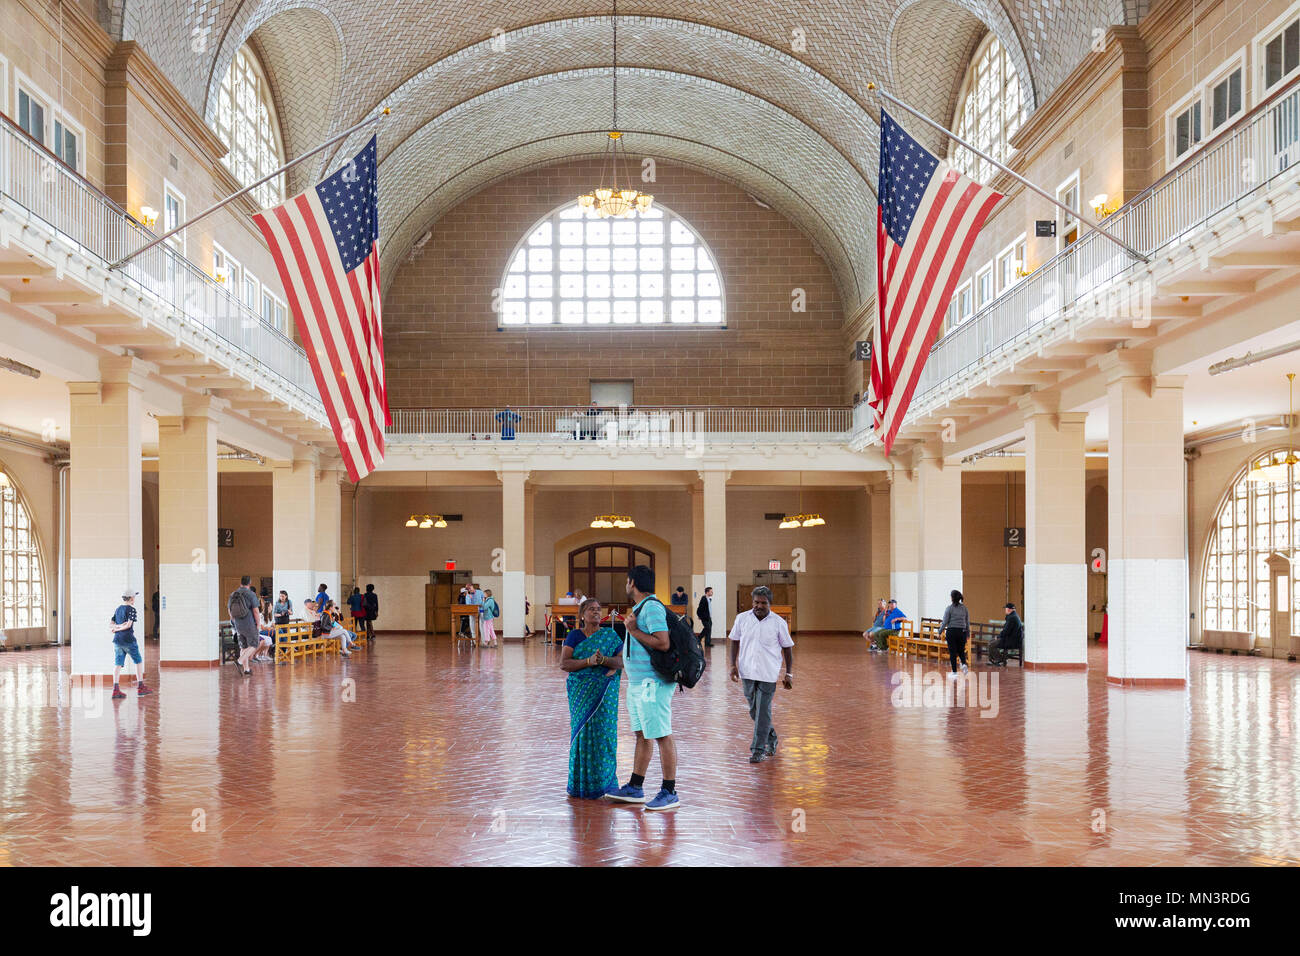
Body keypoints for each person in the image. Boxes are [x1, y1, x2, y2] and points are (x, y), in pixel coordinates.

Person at [605, 565, 679, 811]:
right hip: (638, 683)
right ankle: (636, 786)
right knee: (642, 734)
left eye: (627, 582)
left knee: (660, 734)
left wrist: (633, 630)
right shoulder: (641, 608)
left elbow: (663, 643)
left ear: (632, 582)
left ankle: (669, 791)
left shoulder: (652, 608)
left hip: (652, 683)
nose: (626, 585)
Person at [561, 598, 624, 798]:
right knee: (582, 733)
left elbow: (623, 661)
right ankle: (581, 783)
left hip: (604, 692)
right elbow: (565, 664)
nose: (596, 612)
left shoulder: (610, 636)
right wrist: (588, 661)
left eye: (598, 609)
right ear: (582, 615)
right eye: (591, 609)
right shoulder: (574, 636)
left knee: (603, 733)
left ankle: (605, 782)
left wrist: (605, 661)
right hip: (581, 691)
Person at [728, 586, 794, 763]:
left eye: (763, 603)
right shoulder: (742, 619)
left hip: (768, 672)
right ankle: (771, 739)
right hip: (747, 671)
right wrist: (732, 665)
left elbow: (787, 648)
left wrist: (789, 673)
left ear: (769, 604)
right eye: (756, 602)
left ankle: (758, 749)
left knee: (763, 711)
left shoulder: (778, 622)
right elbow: (734, 641)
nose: (759, 606)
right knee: (754, 711)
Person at [110, 590, 152, 699]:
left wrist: (116, 628)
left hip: (117, 640)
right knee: (138, 661)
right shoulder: (132, 610)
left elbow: (111, 624)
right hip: (128, 640)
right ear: (132, 598)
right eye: (134, 597)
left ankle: (115, 690)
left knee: (117, 664)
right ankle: (141, 686)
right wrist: (121, 626)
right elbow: (128, 625)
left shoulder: (118, 609)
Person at [229, 576, 262, 676]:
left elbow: (229, 610)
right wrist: (258, 624)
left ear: (241, 583)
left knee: (243, 646)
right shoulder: (251, 594)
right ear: (249, 583)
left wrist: (234, 621)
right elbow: (256, 611)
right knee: (254, 644)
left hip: (238, 624)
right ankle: (239, 661)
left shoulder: (233, 594)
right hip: (249, 624)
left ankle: (246, 670)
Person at [938, 589, 970, 676]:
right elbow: (967, 622)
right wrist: (968, 634)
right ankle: (963, 664)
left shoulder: (949, 608)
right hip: (962, 632)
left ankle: (954, 672)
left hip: (951, 632)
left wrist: (940, 631)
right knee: (961, 650)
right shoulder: (964, 609)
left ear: (952, 598)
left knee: (952, 652)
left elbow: (944, 621)